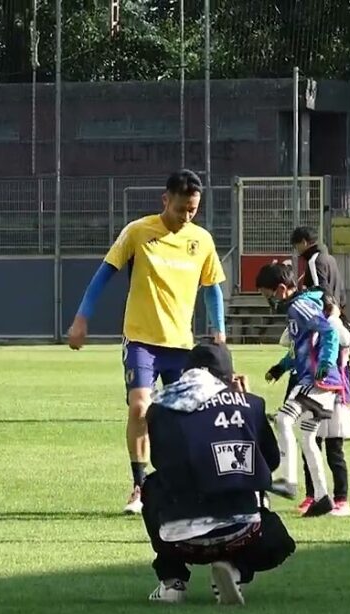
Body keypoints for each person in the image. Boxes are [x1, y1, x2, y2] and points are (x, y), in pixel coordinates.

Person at [67, 169, 227, 514]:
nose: (186, 216)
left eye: (193, 210)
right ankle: (140, 488)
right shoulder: (138, 233)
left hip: (181, 345)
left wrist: (219, 329)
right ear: (165, 200)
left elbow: (212, 287)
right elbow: (103, 274)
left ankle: (182, 485)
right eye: (181, 208)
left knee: (184, 418)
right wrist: (82, 317)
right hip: (141, 341)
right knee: (140, 408)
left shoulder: (202, 240)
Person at [140, 342, 296, 605]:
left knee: (153, 485)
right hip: (242, 534)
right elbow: (269, 461)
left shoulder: (159, 408)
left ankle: (172, 582)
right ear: (228, 375)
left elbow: (161, 461)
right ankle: (235, 570)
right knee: (278, 538)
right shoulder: (252, 405)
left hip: (181, 540)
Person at [256, 262, 343, 518]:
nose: (269, 301)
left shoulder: (299, 307)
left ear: (282, 289)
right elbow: (301, 349)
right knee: (307, 438)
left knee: (283, 419)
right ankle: (322, 497)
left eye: (268, 295)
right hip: (321, 382)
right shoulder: (299, 307)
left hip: (316, 382)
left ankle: (288, 479)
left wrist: (326, 363)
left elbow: (329, 332)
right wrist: (281, 367)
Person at [286, 294, 350, 517]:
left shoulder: (334, 328)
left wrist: (333, 318)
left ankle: (342, 500)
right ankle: (314, 495)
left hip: (334, 396)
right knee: (310, 444)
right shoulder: (311, 329)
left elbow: (343, 339)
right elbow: (287, 343)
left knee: (335, 451)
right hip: (316, 393)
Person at [289, 226, 350, 424]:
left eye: (297, 245)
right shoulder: (330, 258)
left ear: (304, 242)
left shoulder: (314, 261)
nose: (297, 250)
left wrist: (323, 313)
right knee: (345, 365)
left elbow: (320, 290)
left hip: (323, 318)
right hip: (338, 314)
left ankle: (290, 406)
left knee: (302, 359)